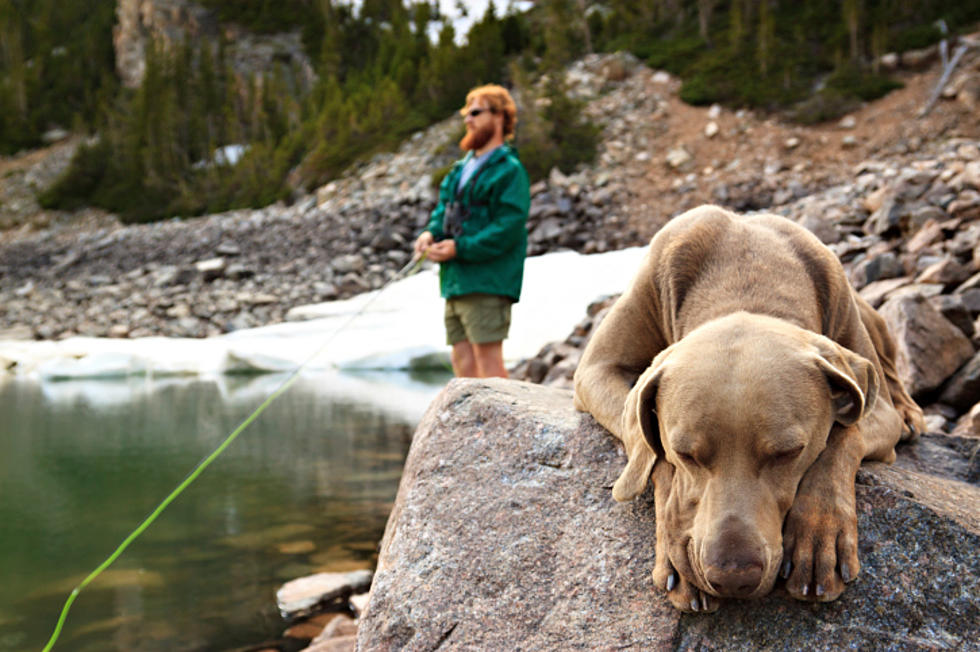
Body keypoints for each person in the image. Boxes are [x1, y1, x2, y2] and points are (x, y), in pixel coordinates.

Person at [414, 84, 531, 378]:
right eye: (467, 113)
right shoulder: (459, 169)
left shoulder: (510, 170)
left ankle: (503, 424)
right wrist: (430, 234)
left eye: (476, 112)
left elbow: (508, 227)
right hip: (456, 281)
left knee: (488, 364)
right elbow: (443, 210)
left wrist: (459, 248)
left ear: (500, 117)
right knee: (462, 361)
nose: (468, 119)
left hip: (488, 281)